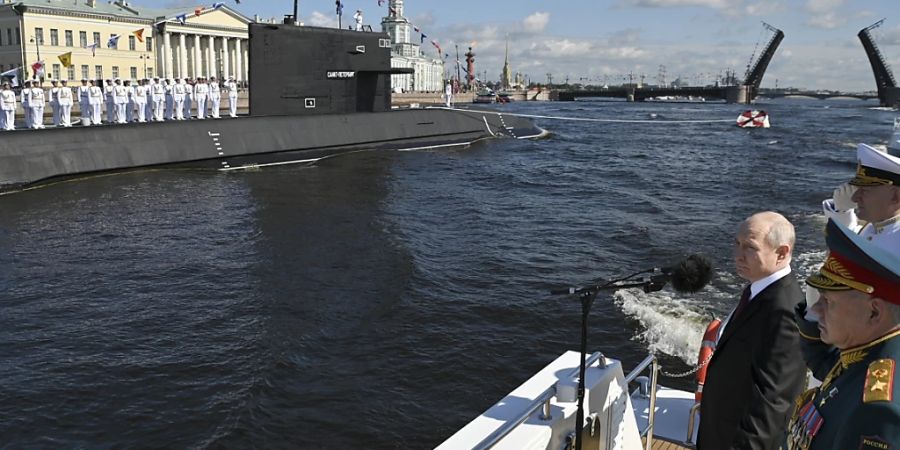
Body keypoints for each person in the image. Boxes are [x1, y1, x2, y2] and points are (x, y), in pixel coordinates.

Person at [697, 211, 808, 450]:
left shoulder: (785, 311)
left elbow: (774, 402)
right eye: (737, 244)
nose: (738, 255)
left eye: (750, 247)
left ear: (782, 252)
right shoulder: (759, 292)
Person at [789, 218, 900, 450]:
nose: (816, 310)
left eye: (827, 301)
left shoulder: (878, 408)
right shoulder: (863, 354)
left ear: (874, 312)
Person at [822, 143, 900, 247]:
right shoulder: (872, 227)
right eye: (858, 189)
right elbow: (852, 244)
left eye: (865, 190)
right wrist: (842, 211)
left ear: (895, 196)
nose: (854, 198)